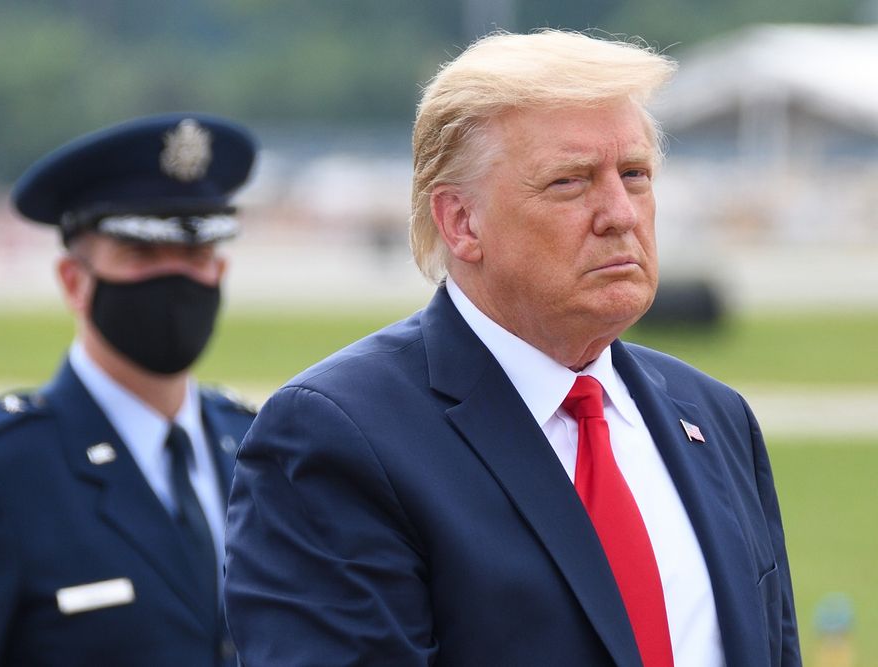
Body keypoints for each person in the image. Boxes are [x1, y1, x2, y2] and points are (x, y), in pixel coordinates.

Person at [224, 31, 800, 666]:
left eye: (634, 174)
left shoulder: (714, 417)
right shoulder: (340, 436)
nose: (619, 213)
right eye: (569, 182)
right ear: (461, 222)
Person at [0, 112, 258, 666]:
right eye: (142, 255)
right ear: (74, 281)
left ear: (220, 271)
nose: (176, 280)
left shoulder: (253, 447)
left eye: (196, 257)